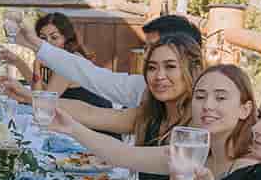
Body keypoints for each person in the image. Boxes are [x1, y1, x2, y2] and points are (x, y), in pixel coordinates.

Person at [51, 34, 205, 180]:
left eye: (170, 67)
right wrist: (37, 100)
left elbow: (122, 155)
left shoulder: (198, 129)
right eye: (152, 68)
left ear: (193, 70)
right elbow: (91, 113)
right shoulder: (151, 116)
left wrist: (71, 128)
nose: (159, 76)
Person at [14, 12, 203, 108]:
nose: (146, 57)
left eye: (152, 49)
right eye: (146, 49)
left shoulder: (200, 110)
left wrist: (31, 98)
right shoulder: (142, 89)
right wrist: (34, 45)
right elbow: (92, 78)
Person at [0, 12, 113, 108]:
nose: (48, 43)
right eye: (43, 38)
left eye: (54, 37)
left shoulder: (67, 62)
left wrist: (36, 66)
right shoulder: (62, 57)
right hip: (82, 122)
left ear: (66, 38)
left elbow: (42, 105)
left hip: (99, 129)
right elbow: (44, 92)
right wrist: (18, 62)